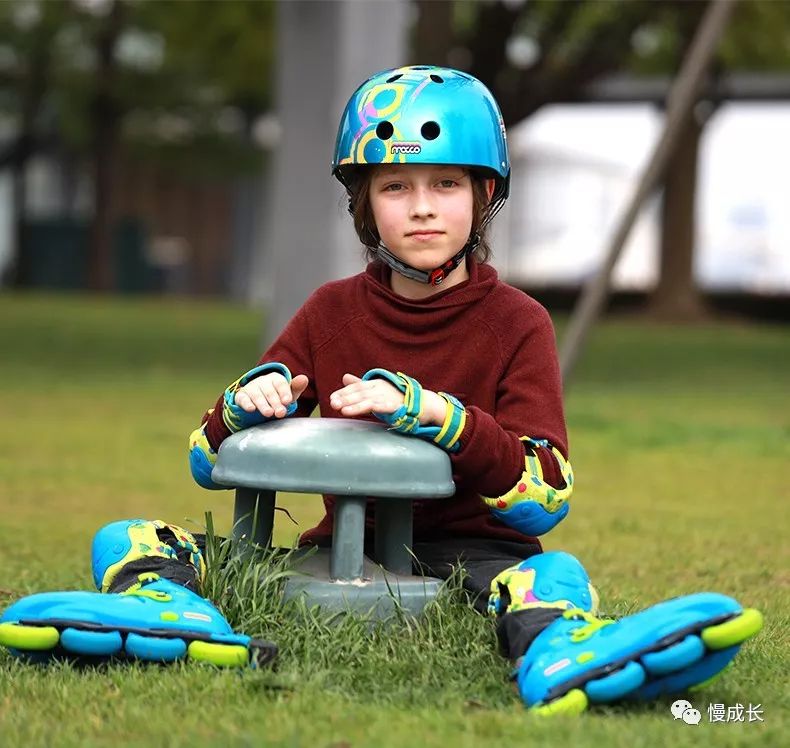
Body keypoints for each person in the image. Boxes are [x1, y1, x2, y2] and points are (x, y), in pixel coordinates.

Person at [0, 66, 762, 714]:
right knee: (131, 536)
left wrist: (442, 419)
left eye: (446, 183)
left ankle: (560, 652)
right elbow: (204, 458)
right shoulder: (331, 311)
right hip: (340, 548)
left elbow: (546, 494)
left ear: (484, 194)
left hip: (473, 555)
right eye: (396, 186)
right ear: (365, 204)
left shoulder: (518, 323)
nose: (423, 205)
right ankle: (174, 619)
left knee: (554, 575)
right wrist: (246, 403)